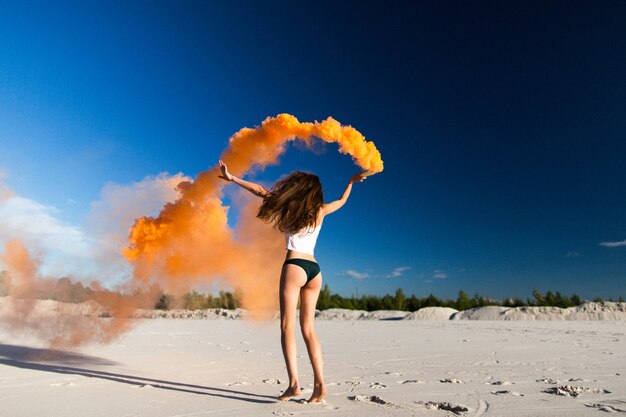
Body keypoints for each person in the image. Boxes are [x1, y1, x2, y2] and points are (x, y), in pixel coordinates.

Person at [218, 160, 366, 403]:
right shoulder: (320, 211)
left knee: (287, 327)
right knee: (309, 329)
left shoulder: (288, 207)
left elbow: (259, 191)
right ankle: (320, 385)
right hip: (315, 270)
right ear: (315, 192)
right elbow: (341, 201)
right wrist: (351, 181)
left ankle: (295, 385)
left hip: (294, 266)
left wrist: (232, 178)